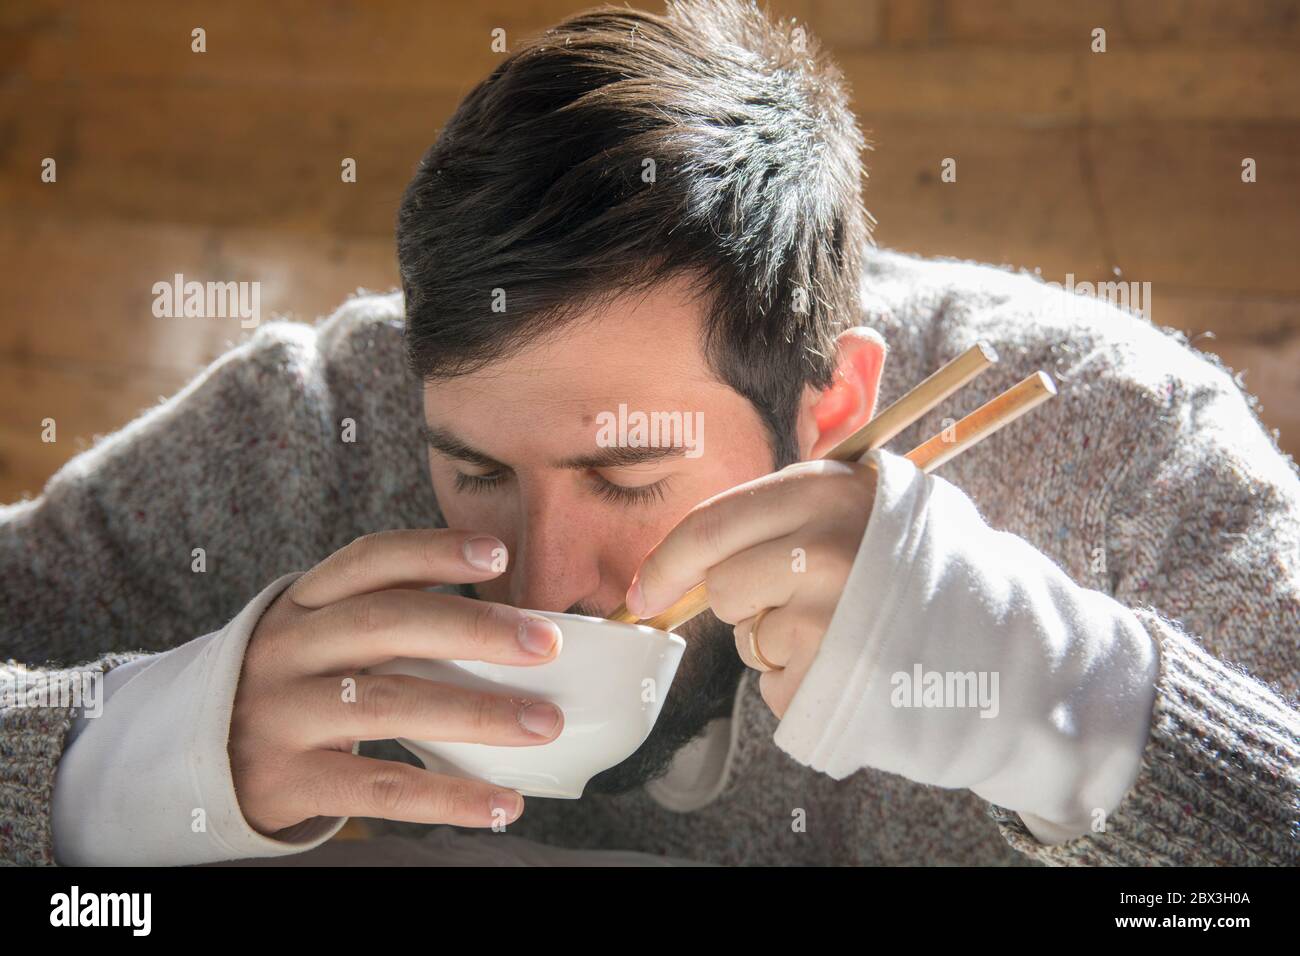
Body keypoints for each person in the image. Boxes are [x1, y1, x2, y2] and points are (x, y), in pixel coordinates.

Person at [1, 0, 1295, 867]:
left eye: (624, 473)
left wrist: (1081, 713)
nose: (545, 583)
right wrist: (122, 757)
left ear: (830, 406)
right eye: (473, 472)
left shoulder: (1125, 458)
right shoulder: (320, 422)